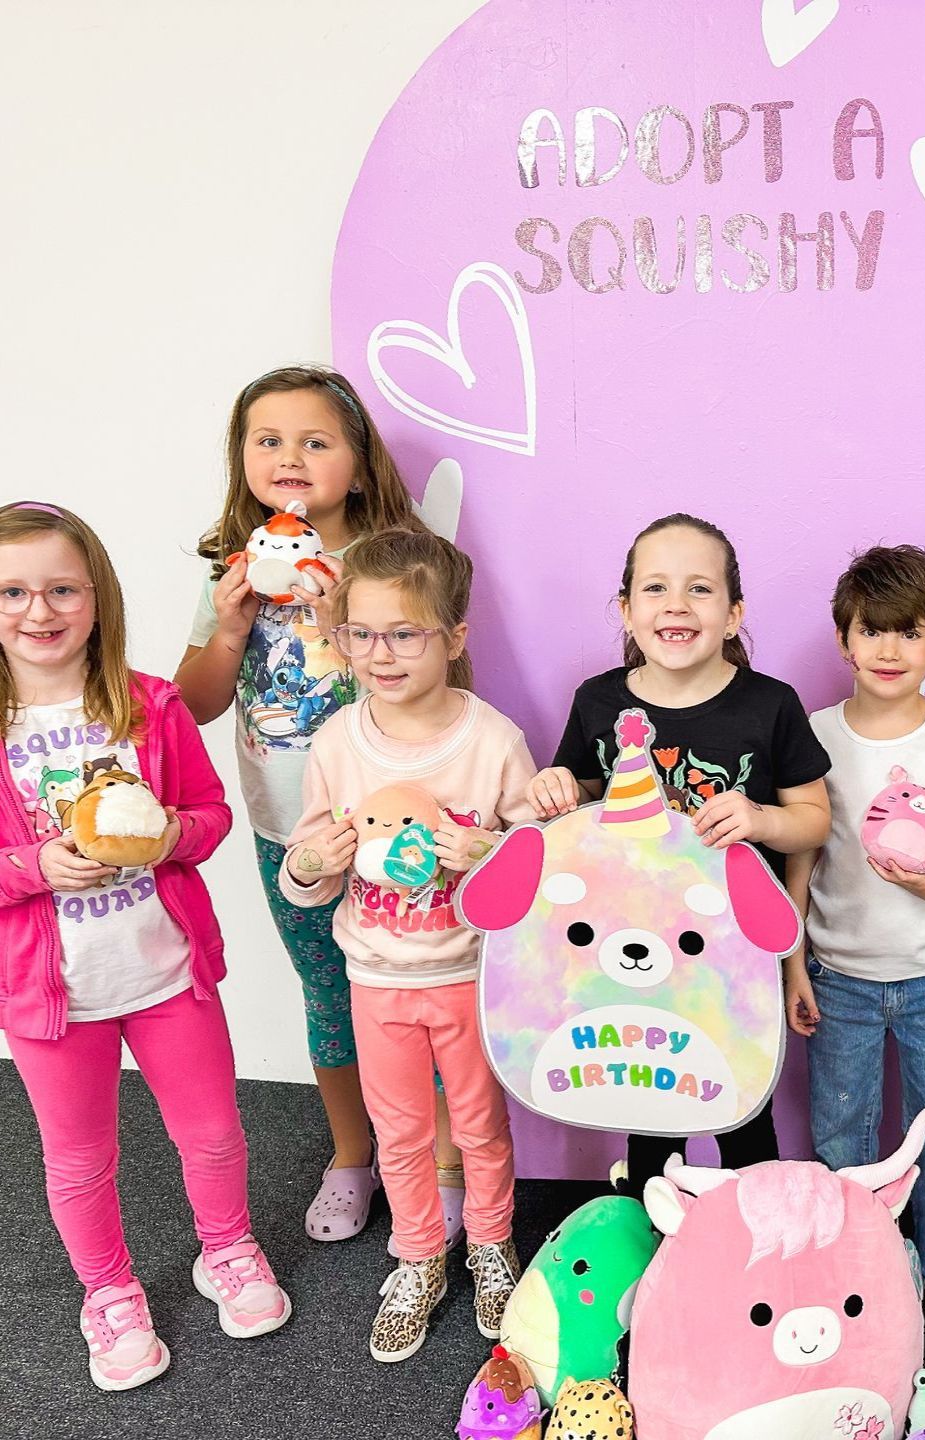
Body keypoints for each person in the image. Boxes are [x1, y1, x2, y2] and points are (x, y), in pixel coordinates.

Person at [176, 366, 468, 1248]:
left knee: (436, 986)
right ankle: (354, 1155)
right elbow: (193, 702)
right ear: (242, 461)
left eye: (315, 440)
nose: (290, 456)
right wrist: (232, 626)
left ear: (357, 460)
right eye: (268, 440)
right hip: (290, 828)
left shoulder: (394, 562)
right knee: (329, 990)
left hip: (407, 824)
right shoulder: (237, 570)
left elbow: (447, 679)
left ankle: (448, 1164)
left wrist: (349, 607)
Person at [0, 501, 289, 1392]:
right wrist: (34, 864)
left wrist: (169, 837)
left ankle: (228, 1250)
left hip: (168, 974)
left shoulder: (149, 704)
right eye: (11, 591)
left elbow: (209, 817)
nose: (38, 611)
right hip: (52, 998)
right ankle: (110, 1292)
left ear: (98, 598)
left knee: (211, 1134)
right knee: (79, 1158)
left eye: (61, 589)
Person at [280, 528, 534, 1361]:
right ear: (341, 634)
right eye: (362, 633)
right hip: (376, 976)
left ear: (454, 637)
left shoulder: (492, 740)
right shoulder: (336, 743)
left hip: (467, 973)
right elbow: (305, 872)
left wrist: (488, 854)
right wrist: (316, 862)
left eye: (405, 633)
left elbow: (535, 872)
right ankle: (419, 1257)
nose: (380, 654)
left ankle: (493, 1247)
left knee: (479, 1123)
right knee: (398, 1131)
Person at [527, 513, 831, 1195]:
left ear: (733, 615)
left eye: (700, 589)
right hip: (636, 953)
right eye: (656, 588)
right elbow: (581, 796)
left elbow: (814, 822)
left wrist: (758, 818)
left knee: (743, 1110)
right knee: (651, 1111)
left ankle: (756, 1245)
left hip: (735, 957)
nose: (675, 605)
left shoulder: (771, 705)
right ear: (627, 610)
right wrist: (559, 785)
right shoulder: (597, 701)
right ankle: (650, 1247)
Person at [784, 544, 925, 1333]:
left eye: (908, 633)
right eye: (870, 632)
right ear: (844, 638)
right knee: (841, 1127)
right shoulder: (814, 736)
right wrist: (793, 967)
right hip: (837, 973)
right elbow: (802, 855)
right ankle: (857, 1259)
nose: (888, 650)